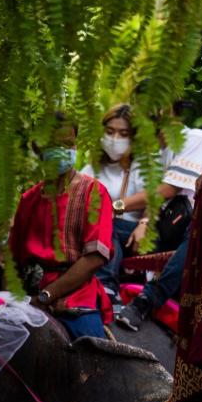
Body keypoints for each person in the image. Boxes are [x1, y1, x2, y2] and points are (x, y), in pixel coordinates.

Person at [8, 113, 114, 340]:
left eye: (69, 144)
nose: (64, 150)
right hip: (28, 296)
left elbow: (94, 258)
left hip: (75, 298)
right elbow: (13, 262)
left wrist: (47, 296)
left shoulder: (94, 193)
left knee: (93, 361)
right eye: (56, 145)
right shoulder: (28, 200)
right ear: (39, 149)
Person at [116, 110, 202, 331]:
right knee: (111, 226)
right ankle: (106, 287)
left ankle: (147, 300)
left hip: (197, 230)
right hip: (169, 228)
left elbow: (169, 189)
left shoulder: (195, 139)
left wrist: (117, 205)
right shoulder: (161, 153)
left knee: (200, 228)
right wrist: (143, 223)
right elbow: (157, 201)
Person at [82, 104, 154, 308]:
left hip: (132, 232)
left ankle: (107, 287)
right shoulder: (92, 169)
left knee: (107, 223)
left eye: (123, 133)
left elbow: (151, 197)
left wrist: (113, 207)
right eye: (110, 132)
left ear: (133, 137)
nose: (115, 139)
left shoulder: (142, 166)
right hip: (97, 233)